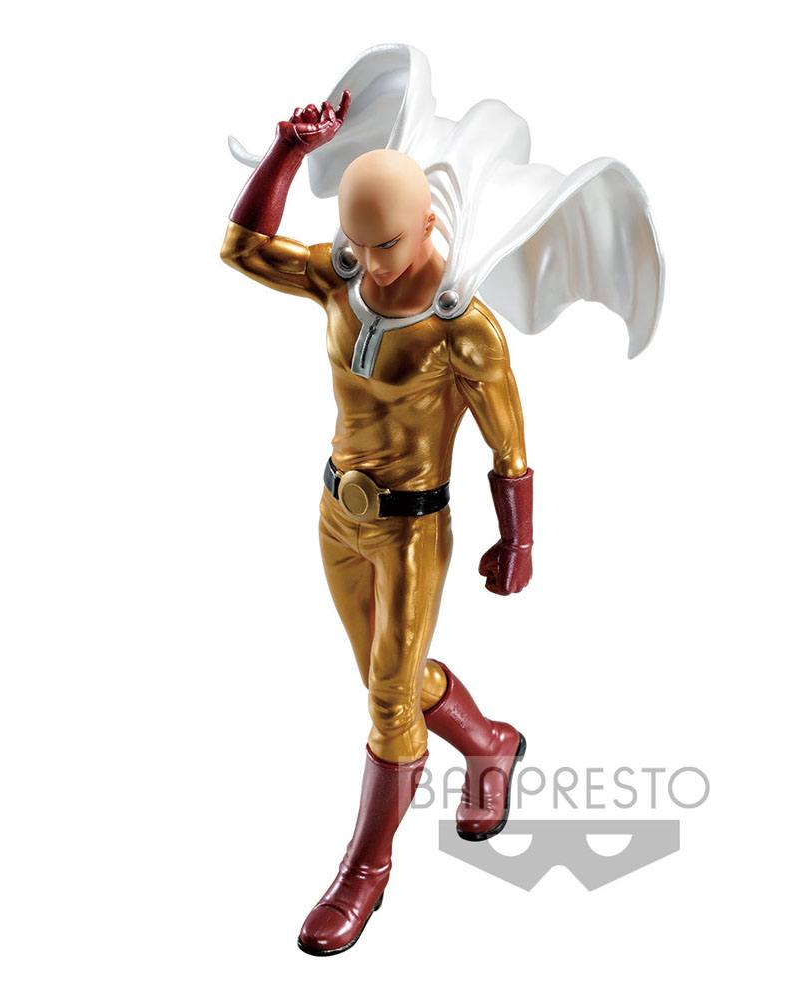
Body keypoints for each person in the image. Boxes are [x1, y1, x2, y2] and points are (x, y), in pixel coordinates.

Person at [220, 91, 533, 956]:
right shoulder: (344, 276)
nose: (369, 262)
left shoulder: (463, 329)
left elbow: (509, 444)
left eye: (386, 244)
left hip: (411, 530)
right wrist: (286, 154)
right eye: (356, 243)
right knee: (387, 680)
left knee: (389, 699)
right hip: (337, 514)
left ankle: (365, 870)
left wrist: (519, 537)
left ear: (427, 222)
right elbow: (242, 248)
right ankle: (491, 742)